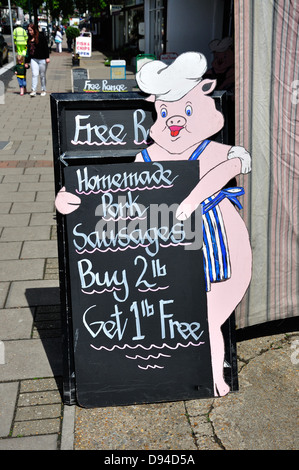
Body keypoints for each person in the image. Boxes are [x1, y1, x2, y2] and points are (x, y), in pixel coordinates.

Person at [25, 23, 50, 97]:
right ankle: (33, 90)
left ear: (34, 30)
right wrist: (27, 61)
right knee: (34, 74)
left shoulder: (41, 37)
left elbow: (46, 47)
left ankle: (43, 89)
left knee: (42, 75)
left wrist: (47, 57)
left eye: (31, 30)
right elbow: (28, 51)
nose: (30, 32)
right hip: (33, 59)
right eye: (28, 30)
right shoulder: (29, 38)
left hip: (42, 59)